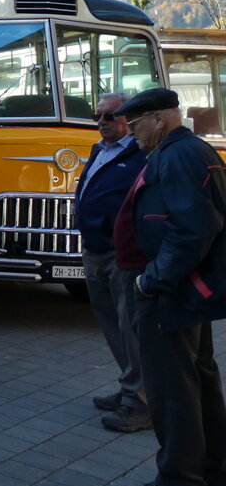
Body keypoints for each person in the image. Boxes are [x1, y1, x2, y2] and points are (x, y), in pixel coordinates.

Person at [113, 88, 226, 486]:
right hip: (185, 289)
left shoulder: (177, 155)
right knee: (198, 381)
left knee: (173, 391)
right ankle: (213, 476)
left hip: (171, 291)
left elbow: (193, 228)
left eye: (137, 125)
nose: (132, 134)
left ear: (160, 119)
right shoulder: (187, 150)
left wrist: (151, 280)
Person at [75, 92, 150, 432]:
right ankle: (129, 387)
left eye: (111, 116)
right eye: (98, 116)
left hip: (122, 254)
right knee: (111, 325)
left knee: (130, 328)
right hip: (94, 251)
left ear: (129, 119)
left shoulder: (142, 155)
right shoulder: (99, 150)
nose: (102, 122)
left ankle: (142, 403)